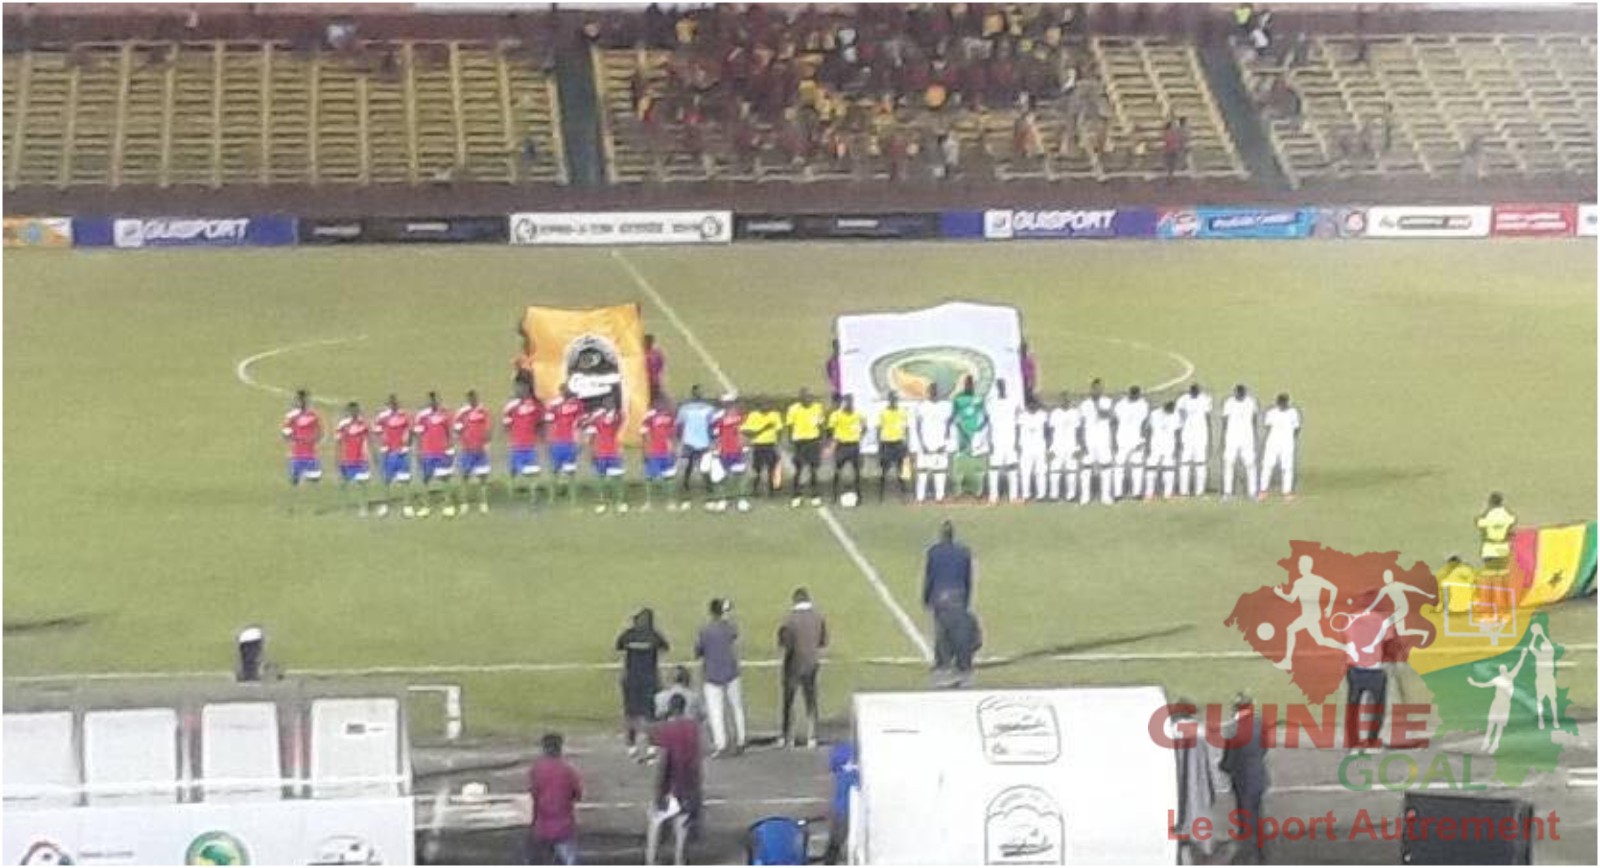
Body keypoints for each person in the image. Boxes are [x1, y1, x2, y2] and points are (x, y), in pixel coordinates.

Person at [646, 693, 702, 866]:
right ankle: (680, 862)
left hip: (671, 787)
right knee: (682, 829)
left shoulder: (666, 730)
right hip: (690, 785)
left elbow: (663, 762)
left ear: (670, 708)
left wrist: (658, 792)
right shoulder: (693, 728)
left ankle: (652, 862)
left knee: (655, 824)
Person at [1220, 693, 1269, 864]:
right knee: (1258, 815)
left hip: (1242, 780)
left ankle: (1247, 855)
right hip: (1259, 776)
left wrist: (1224, 767)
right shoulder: (1260, 723)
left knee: (1245, 818)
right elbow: (1264, 748)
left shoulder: (1234, 728)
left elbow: (1229, 759)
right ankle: (1261, 852)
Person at [615, 608, 669, 760]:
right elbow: (665, 647)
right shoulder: (654, 636)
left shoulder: (629, 635)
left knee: (631, 713)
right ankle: (652, 745)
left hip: (631, 680)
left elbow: (618, 645)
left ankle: (631, 745)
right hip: (650, 680)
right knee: (651, 714)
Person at [777, 587, 828, 749]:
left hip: (793, 664)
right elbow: (823, 642)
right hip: (812, 663)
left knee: (789, 701)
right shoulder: (818, 617)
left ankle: (788, 736)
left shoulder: (789, 620)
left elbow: (785, 643)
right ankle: (812, 736)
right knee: (810, 700)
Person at [695, 598, 746, 757]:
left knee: (715, 711)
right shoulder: (729, 628)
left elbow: (698, 651)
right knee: (736, 707)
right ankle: (741, 740)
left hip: (712, 674)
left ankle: (721, 744)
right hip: (731, 672)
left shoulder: (705, 630)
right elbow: (734, 634)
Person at [923, 521, 974, 678]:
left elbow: (929, 577)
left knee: (942, 631)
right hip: (958, 595)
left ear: (941, 535)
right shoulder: (964, 552)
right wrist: (967, 598)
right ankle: (962, 664)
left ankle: (942, 663)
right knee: (959, 631)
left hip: (940, 596)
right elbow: (968, 579)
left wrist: (926, 597)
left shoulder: (933, 552)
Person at [1341, 597, 1390, 754]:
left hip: (1355, 668)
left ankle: (1353, 744)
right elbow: (1388, 639)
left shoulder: (1351, 618)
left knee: (1353, 708)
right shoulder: (1383, 620)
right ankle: (1371, 742)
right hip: (1375, 669)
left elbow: (1346, 637)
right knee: (1377, 708)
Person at [527, 732, 583, 865]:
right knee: (569, 858)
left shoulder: (537, 769)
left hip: (542, 824)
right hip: (564, 824)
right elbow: (577, 795)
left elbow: (534, 793)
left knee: (539, 857)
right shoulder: (568, 770)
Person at [413, 392, 458, 517]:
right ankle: (426, 506)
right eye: (431, 400)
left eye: (435, 399)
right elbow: (418, 435)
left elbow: (450, 433)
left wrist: (451, 449)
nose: (433, 402)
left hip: (442, 452)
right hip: (427, 452)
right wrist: (418, 451)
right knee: (425, 479)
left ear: (438, 400)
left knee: (445, 478)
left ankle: (448, 505)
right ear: (428, 401)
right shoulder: (421, 416)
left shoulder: (445, 414)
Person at [504, 380, 546, 510]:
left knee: (532, 473)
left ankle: (533, 499)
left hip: (530, 445)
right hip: (516, 445)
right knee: (512, 471)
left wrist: (540, 436)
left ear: (527, 389)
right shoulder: (511, 406)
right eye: (517, 388)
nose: (518, 391)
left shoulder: (535, 405)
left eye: (521, 388)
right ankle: (510, 496)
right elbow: (506, 424)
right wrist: (511, 438)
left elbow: (540, 422)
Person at [281, 389, 323, 511]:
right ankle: (291, 506)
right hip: (297, 453)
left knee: (315, 480)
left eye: (304, 400)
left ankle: (316, 506)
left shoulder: (313, 415)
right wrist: (294, 438)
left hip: (310, 453)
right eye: (300, 400)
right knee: (294, 481)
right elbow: (285, 432)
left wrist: (314, 439)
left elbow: (320, 432)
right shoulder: (291, 416)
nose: (302, 402)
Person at [545, 385, 587, 506]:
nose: (565, 393)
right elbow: (549, 423)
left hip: (570, 442)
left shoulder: (578, 405)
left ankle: (572, 499)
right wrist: (549, 440)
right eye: (563, 391)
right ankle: (552, 498)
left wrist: (581, 440)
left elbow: (581, 423)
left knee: (570, 473)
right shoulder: (554, 405)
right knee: (554, 471)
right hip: (558, 442)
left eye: (567, 390)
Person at [584, 395, 626, 514]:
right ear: (603, 405)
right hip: (600, 452)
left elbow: (622, 417)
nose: (610, 405)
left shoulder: (617, 416)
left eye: (612, 403)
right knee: (600, 479)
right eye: (608, 403)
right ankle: (601, 503)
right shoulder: (597, 418)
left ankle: (620, 502)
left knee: (617, 478)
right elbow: (590, 436)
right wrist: (591, 452)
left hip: (614, 452)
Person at [675, 385, 716, 508]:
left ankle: (709, 493)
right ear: (693, 394)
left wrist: (712, 440)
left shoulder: (707, 409)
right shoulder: (686, 409)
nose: (698, 395)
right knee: (688, 467)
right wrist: (679, 439)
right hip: (690, 442)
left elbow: (713, 426)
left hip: (703, 443)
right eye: (697, 393)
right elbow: (678, 425)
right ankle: (686, 491)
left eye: (700, 393)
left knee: (704, 469)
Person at [912, 383, 954, 503]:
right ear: (928, 392)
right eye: (932, 390)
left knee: (940, 472)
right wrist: (921, 444)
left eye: (936, 391)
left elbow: (948, 426)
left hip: (940, 444)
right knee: (922, 472)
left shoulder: (945, 406)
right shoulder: (922, 406)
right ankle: (920, 498)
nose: (934, 393)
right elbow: (917, 427)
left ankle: (939, 497)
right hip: (925, 445)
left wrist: (945, 443)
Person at [785, 388, 826, 507]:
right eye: (805, 397)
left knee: (813, 470)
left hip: (813, 441)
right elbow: (790, 426)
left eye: (809, 397)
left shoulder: (817, 408)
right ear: (801, 398)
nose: (808, 399)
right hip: (799, 442)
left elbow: (821, 425)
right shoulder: (793, 409)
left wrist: (821, 440)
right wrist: (791, 441)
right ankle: (796, 496)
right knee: (798, 470)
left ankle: (815, 495)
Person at [374, 395, 414, 518]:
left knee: (405, 480)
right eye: (391, 403)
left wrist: (407, 445)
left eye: (395, 403)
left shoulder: (404, 415)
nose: (393, 405)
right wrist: (383, 444)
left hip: (402, 452)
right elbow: (377, 431)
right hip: (389, 453)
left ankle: (407, 506)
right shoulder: (382, 416)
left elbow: (410, 430)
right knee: (386, 480)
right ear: (388, 404)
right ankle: (385, 505)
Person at [454, 390, 493, 515]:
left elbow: (488, 429)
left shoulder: (483, 411)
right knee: (464, 477)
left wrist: (487, 444)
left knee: (483, 478)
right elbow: (457, 429)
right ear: (468, 399)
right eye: (470, 398)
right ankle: (464, 504)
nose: (473, 400)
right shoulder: (462, 413)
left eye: (474, 398)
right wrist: (462, 440)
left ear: (477, 398)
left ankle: (483, 503)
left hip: (481, 450)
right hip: (467, 450)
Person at [709, 393, 749, 512]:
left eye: (731, 402)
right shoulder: (717, 417)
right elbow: (715, 435)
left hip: (738, 449)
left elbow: (744, 431)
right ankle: (723, 500)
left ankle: (741, 500)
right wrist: (715, 449)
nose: (729, 405)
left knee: (739, 475)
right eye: (727, 403)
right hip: (724, 450)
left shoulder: (740, 414)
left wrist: (744, 445)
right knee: (721, 477)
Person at [984, 379, 1022, 504]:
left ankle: (1013, 497)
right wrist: (989, 441)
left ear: (1005, 386)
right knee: (994, 468)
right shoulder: (991, 403)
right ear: (996, 387)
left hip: (1010, 439)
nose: (1001, 387)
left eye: (1003, 385)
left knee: (1012, 467)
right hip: (996, 439)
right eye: (999, 385)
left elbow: (1017, 423)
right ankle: (993, 497)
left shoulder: (1013, 401)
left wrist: (1017, 440)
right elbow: (987, 423)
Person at [1077, 379, 1114, 505]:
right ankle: (1085, 496)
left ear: (1102, 389)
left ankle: (1105, 496)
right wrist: (1082, 443)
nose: (1097, 391)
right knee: (1086, 468)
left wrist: (1097, 405)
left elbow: (1108, 416)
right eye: (1095, 389)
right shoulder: (1084, 404)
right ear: (1091, 389)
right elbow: (1081, 425)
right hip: (1089, 440)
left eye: (1099, 388)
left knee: (1106, 467)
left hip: (1103, 440)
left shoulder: (1108, 401)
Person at [1258, 392, 1302, 500]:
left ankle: (1287, 492)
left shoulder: (1293, 413)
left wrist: (1290, 439)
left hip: (1287, 444)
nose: (1282, 404)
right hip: (1273, 443)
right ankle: (1263, 491)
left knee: (1287, 468)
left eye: (1284, 402)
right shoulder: (1271, 413)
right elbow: (1268, 426)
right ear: (1277, 403)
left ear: (1288, 402)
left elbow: (1297, 428)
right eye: (1281, 402)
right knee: (1267, 466)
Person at [334, 401, 374, 516]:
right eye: (352, 410)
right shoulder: (342, 425)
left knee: (362, 484)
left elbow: (369, 440)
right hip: (347, 458)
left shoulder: (364, 424)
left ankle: (364, 507)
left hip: (361, 458)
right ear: (348, 411)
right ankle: (344, 507)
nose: (354, 412)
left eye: (356, 410)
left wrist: (371, 456)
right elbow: (338, 442)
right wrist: (337, 459)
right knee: (344, 483)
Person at [1220, 384, 1260, 499]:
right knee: (1228, 464)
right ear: (1235, 392)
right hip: (1232, 437)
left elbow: (1254, 420)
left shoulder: (1251, 402)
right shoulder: (1229, 402)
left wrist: (1255, 435)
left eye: (1242, 393)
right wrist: (1223, 437)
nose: (1241, 395)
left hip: (1247, 438)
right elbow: (1225, 421)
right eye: (1239, 393)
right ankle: (1227, 493)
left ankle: (1252, 492)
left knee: (1250, 464)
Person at [1111, 385, 1150, 500]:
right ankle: (1117, 493)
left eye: (1136, 394)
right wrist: (1114, 440)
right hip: (1122, 440)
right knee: (1119, 467)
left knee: (1137, 466)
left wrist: (1143, 440)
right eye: (1133, 394)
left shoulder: (1143, 405)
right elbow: (1114, 422)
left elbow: (1145, 424)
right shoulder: (1120, 404)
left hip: (1136, 440)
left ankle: (1137, 493)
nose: (1134, 396)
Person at [950, 377, 987, 498]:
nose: (969, 387)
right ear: (964, 385)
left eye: (971, 384)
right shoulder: (958, 399)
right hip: (962, 433)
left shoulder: (979, 398)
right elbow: (953, 415)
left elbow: (986, 415)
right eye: (967, 384)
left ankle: (978, 491)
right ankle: (958, 490)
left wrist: (981, 427)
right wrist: (957, 426)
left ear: (973, 385)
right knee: (960, 462)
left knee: (976, 462)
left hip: (975, 434)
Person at [1174, 383, 1213, 497]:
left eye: (1196, 391)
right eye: (1193, 391)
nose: (1194, 393)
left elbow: (1207, 417)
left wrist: (1209, 435)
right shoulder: (1182, 400)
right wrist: (1179, 435)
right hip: (1187, 435)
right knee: (1184, 464)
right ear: (1190, 391)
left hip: (1201, 435)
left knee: (1200, 464)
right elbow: (1179, 417)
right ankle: (1183, 492)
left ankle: (1199, 492)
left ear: (1199, 391)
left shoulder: (1205, 399)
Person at [640, 395, 678, 510]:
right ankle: (648, 503)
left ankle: (670, 502)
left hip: (665, 452)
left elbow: (672, 435)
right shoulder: (649, 417)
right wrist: (645, 451)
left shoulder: (669, 417)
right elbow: (644, 435)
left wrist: (673, 450)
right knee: (650, 478)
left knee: (668, 477)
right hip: (654, 452)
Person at [825, 741, 860, 863]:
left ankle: (832, 860)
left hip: (841, 809)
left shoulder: (841, 770)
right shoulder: (850, 773)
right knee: (838, 839)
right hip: (845, 810)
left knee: (836, 840)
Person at [741, 400, 784, 499]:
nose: (766, 407)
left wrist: (777, 444)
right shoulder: (753, 416)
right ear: (759, 406)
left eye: (767, 405)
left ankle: (771, 491)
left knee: (771, 469)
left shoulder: (774, 415)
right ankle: (755, 490)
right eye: (763, 405)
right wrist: (763, 428)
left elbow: (779, 430)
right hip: (758, 446)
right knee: (757, 470)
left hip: (770, 445)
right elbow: (746, 431)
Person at [826, 394, 865, 503]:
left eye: (851, 402)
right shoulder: (836, 415)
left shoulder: (858, 415)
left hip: (854, 446)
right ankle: (834, 495)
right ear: (844, 403)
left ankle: (859, 495)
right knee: (837, 471)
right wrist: (834, 441)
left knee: (857, 472)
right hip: (841, 446)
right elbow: (830, 430)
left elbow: (864, 427)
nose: (849, 404)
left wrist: (859, 435)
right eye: (847, 402)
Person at [873, 392, 910, 502]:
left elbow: (906, 429)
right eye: (892, 399)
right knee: (884, 471)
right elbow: (879, 429)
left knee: (901, 471)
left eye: (896, 399)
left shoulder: (902, 412)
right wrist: (879, 445)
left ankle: (903, 495)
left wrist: (906, 443)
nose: (894, 401)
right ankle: (881, 494)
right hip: (887, 444)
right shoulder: (883, 413)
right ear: (889, 400)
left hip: (899, 444)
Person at [1046, 390, 1082, 502]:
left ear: (1069, 400)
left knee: (1071, 473)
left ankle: (1071, 495)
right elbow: (1050, 432)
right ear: (1059, 401)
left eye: (1066, 399)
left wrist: (1078, 447)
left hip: (1071, 446)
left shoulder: (1075, 413)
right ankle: (1054, 495)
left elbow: (1079, 432)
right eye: (1062, 399)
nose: (1064, 401)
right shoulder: (1054, 413)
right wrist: (1050, 448)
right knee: (1054, 472)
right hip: (1057, 446)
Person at [1145, 399, 1182, 500]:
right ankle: (1149, 494)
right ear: (1165, 406)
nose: (1172, 410)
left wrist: (1177, 446)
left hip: (1169, 445)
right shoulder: (1154, 414)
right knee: (1151, 469)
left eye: (1173, 409)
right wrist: (1147, 446)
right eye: (1171, 409)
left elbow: (1177, 432)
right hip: (1155, 445)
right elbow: (1148, 430)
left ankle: (1167, 494)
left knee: (1169, 470)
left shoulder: (1176, 415)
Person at [1016, 397, 1050, 501]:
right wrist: (1017, 444)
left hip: (1040, 446)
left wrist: (1048, 445)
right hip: (1026, 447)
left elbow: (1047, 431)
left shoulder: (1042, 415)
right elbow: (1017, 430)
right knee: (1025, 472)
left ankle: (1041, 495)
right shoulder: (1022, 416)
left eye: (1034, 404)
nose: (1032, 407)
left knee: (1041, 471)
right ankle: (1026, 494)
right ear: (1027, 406)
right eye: (1030, 405)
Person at [1476, 492, 1517, 575]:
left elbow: (1478, 522)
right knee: (1503, 574)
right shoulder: (1507, 515)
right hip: (1503, 548)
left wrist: (1486, 511)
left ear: (1490, 502)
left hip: (1489, 549)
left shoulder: (1488, 515)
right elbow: (1513, 520)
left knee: (1489, 574)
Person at [645, 333, 667, 402]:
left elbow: (661, 364)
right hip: (647, 380)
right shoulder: (643, 352)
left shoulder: (656, 352)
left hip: (652, 380)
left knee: (653, 397)